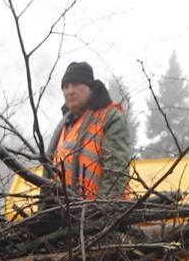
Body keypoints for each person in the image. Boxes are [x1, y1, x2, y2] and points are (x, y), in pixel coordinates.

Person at [49, 61, 133, 202]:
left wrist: (102, 210)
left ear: (90, 88)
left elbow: (116, 171)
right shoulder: (65, 125)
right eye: (66, 87)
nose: (70, 91)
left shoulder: (110, 117)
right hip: (67, 212)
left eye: (76, 85)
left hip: (100, 213)